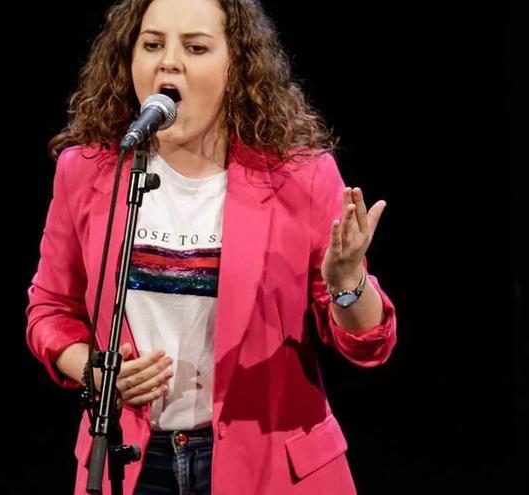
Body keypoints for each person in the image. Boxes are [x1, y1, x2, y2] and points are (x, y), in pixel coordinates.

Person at [25, 0, 397, 493]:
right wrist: (98, 373)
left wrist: (348, 282)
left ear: (235, 64)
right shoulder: (87, 172)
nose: (169, 61)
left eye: (195, 47)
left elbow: (367, 344)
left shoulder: (301, 177)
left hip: (270, 467)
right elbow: (50, 309)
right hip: (130, 464)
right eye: (152, 44)